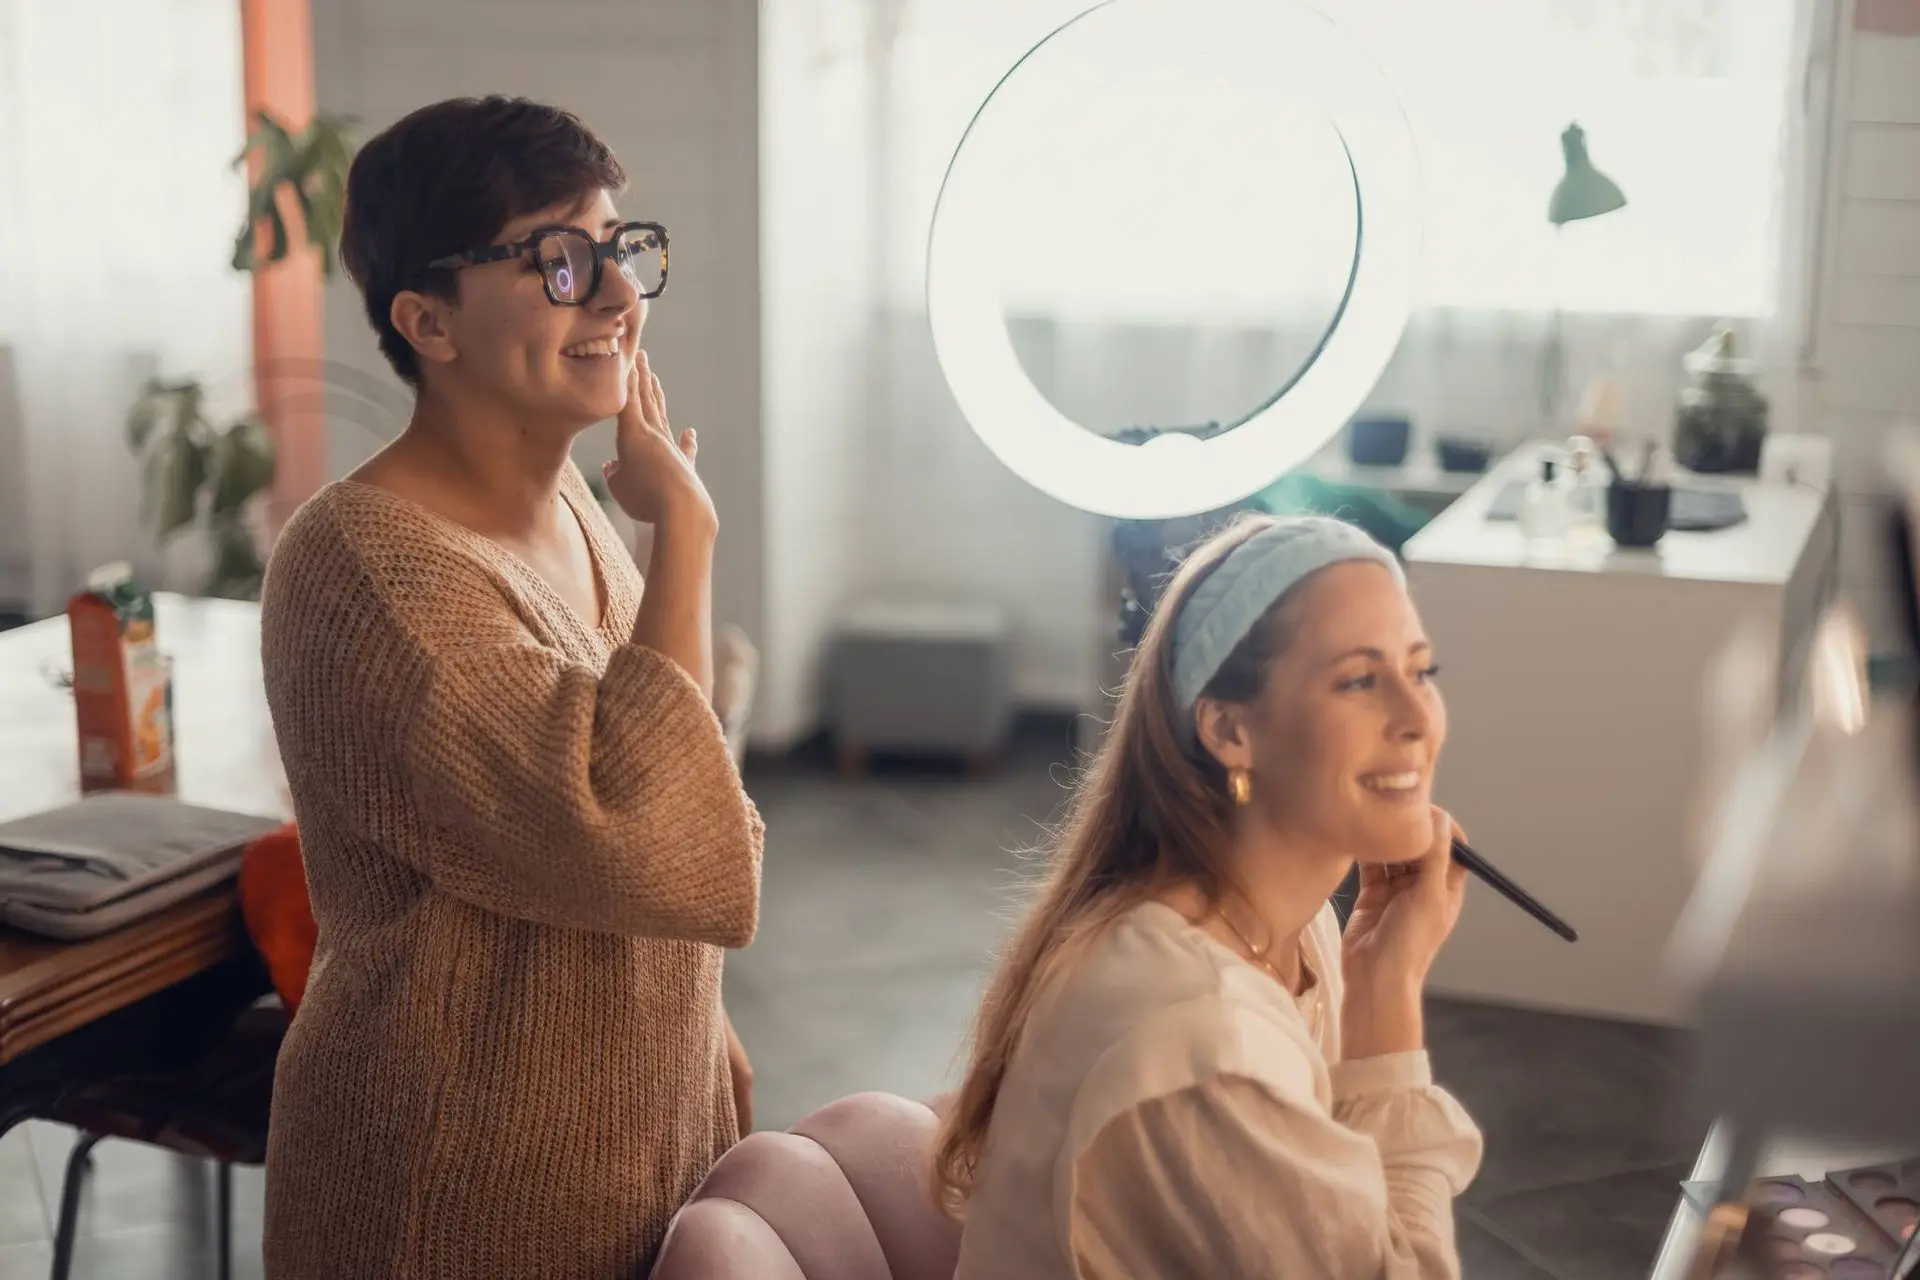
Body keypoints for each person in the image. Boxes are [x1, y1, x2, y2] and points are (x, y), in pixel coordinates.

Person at [258, 96, 763, 1277]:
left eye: (619, 250)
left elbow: (651, 783)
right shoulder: (366, 567)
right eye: (559, 261)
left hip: (631, 1138)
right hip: (458, 1188)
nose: (619, 297)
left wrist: (707, 1023)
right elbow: (640, 837)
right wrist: (684, 537)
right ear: (427, 319)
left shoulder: (575, 502)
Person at [933, 513, 1484, 1278]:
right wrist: (1389, 1003)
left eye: (1420, 672)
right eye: (1359, 680)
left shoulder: (1289, 928)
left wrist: (1374, 973)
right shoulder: (1203, 1036)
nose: (1417, 717)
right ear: (1229, 731)